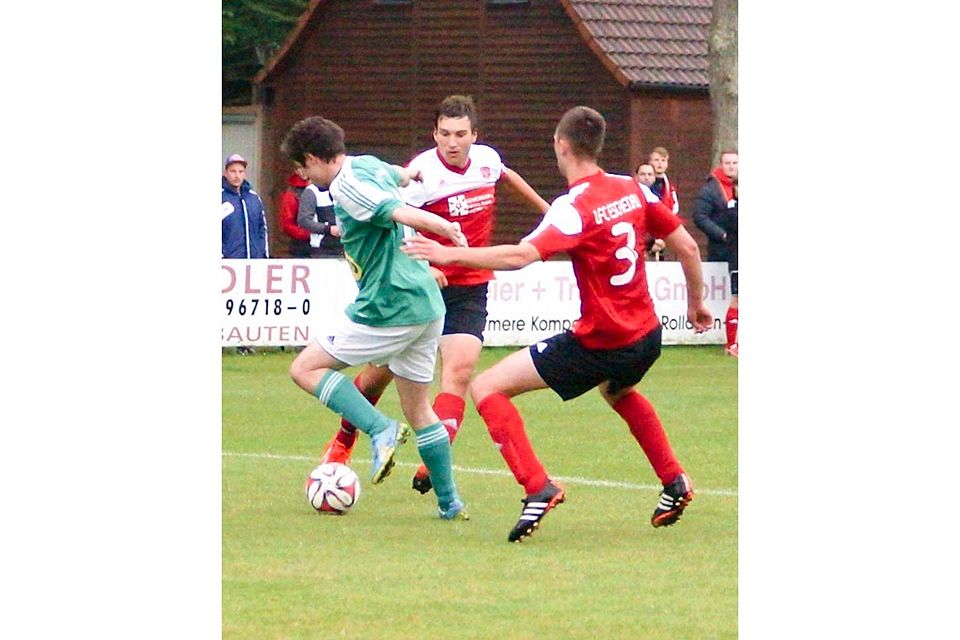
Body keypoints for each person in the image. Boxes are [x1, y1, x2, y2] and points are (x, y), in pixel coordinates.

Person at [402, 106, 713, 542]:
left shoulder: (574, 207)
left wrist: (448, 254)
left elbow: (519, 256)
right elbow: (688, 248)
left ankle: (537, 487)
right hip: (646, 333)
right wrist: (696, 304)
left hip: (602, 339)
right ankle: (673, 479)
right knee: (618, 389)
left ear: (560, 145)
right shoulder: (633, 188)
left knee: (487, 387)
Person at [318, 95, 550, 498]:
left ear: (474, 136)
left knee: (458, 373)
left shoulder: (487, 161)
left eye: (461, 134)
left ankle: (431, 463)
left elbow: (506, 175)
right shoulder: (423, 173)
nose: (452, 142)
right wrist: (429, 268)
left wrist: (549, 214)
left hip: (471, 285)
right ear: (435, 134)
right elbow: (400, 227)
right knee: (377, 376)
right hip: (423, 286)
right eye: (445, 134)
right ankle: (343, 440)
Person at [280, 115, 470, 521]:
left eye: (301, 167)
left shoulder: (348, 187)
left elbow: (399, 211)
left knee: (304, 368)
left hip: (389, 304)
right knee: (420, 410)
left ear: (314, 159)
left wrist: (445, 228)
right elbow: (401, 175)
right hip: (426, 303)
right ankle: (450, 503)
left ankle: (380, 428)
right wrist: (415, 172)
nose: (301, 175)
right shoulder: (365, 164)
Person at [692, 150, 739, 357]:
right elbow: (700, 216)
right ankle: (731, 343)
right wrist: (723, 235)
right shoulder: (711, 189)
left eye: (735, 163)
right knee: (736, 297)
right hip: (727, 250)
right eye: (727, 163)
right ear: (721, 164)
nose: (731, 166)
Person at [222, 154, 270, 258]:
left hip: (254, 262)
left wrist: (263, 254)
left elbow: (262, 229)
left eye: (240, 171)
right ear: (225, 173)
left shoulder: (254, 198)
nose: (237, 175)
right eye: (233, 171)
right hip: (228, 263)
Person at [298, 181, 344, 257]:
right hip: (323, 250)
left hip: (347, 247)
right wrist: (328, 229)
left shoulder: (345, 187)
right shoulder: (311, 191)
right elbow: (303, 220)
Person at [277, 166, 313, 258]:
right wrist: (310, 234)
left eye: (306, 167)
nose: (303, 171)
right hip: (302, 246)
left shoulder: (324, 186)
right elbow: (287, 224)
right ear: (296, 170)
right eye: (300, 168)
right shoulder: (291, 193)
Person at [635, 162, 665, 259]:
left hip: (657, 245)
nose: (646, 177)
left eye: (649, 174)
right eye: (643, 174)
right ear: (636, 177)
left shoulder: (661, 195)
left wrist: (662, 239)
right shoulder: (631, 196)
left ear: (654, 177)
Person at [648, 147, 680, 214]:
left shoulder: (670, 187)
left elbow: (675, 207)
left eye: (663, 160)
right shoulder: (644, 184)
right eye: (656, 160)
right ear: (650, 162)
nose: (660, 163)